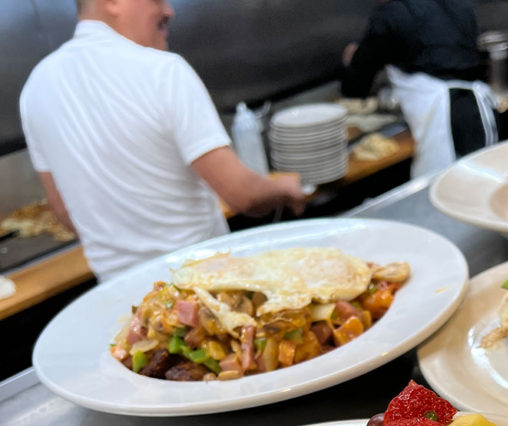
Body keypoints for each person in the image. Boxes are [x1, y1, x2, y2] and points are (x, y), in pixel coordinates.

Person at [19, 0, 307, 280]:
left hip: (119, 301)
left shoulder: (36, 87)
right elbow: (244, 196)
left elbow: (62, 210)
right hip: (201, 292)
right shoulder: (163, 70)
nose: (168, 10)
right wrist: (285, 187)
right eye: (156, 0)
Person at [341, 0, 499, 180]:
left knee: (441, 194)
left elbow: (356, 86)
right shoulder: (455, 4)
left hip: (442, 122)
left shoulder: (390, 14)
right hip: (479, 111)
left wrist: (352, 60)